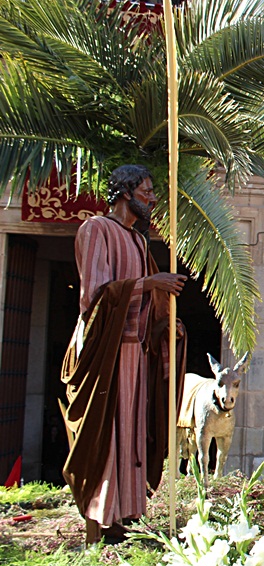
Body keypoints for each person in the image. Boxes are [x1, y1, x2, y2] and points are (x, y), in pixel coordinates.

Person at [61, 164, 187, 545]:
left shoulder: (137, 241)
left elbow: (147, 309)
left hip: (136, 352)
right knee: (108, 434)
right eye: (146, 191)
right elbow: (95, 296)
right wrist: (150, 282)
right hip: (106, 354)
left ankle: (126, 516)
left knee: (133, 435)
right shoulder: (96, 229)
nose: (151, 198)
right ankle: (99, 520)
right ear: (125, 191)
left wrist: (167, 327)